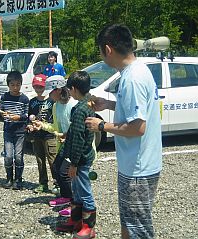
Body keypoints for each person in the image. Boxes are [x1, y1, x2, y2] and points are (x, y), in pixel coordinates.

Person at [85, 24, 162, 239]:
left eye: (100, 51)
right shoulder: (138, 70)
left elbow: (138, 128)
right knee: (129, 223)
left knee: (139, 230)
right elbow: (136, 112)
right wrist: (108, 106)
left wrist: (101, 125)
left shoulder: (132, 79)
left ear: (108, 49)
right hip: (137, 166)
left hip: (138, 169)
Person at [55, 71, 97, 239]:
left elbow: (80, 139)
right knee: (77, 190)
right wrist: (68, 134)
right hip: (82, 157)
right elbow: (78, 131)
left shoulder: (80, 109)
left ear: (73, 88)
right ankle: (76, 220)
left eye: (69, 89)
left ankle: (89, 227)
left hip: (81, 159)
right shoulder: (89, 103)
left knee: (84, 191)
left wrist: (74, 163)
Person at [33, 75, 77, 217]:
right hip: (63, 145)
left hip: (75, 146)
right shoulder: (56, 106)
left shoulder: (73, 105)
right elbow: (55, 127)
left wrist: (68, 138)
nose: (49, 95)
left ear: (58, 90)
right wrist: (43, 125)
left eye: (50, 92)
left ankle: (73, 203)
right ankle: (65, 197)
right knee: (57, 167)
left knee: (66, 173)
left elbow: (78, 129)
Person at [0, 70, 29, 190]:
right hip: (8, 130)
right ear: (8, 85)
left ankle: (18, 179)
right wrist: (2, 113)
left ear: (21, 84)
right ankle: (9, 178)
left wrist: (18, 117)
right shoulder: (4, 97)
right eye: (12, 85)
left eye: (18, 84)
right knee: (8, 156)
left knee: (18, 156)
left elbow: (26, 115)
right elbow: (0, 109)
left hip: (20, 132)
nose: (15, 87)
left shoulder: (24, 99)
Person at [26, 74, 56, 193]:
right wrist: (29, 125)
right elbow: (29, 118)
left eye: (41, 86)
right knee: (40, 160)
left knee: (52, 160)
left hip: (49, 134)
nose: (39, 89)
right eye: (36, 86)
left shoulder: (52, 101)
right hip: (36, 135)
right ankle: (43, 183)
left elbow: (55, 118)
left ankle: (57, 183)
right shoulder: (32, 101)